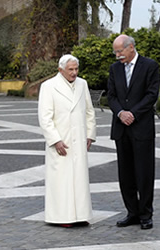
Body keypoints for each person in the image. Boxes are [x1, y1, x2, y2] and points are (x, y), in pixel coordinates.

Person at [107, 34, 159, 230]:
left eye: (120, 51)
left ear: (131, 48)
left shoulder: (150, 66)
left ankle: (146, 214)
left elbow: (152, 94)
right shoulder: (114, 69)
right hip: (121, 129)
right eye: (115, 52)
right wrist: (121, 113)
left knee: (144, 173)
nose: (117, 55)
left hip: (141, 128)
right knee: (125, 173)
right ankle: (132, 212)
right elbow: (111, 96)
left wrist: (132, 114)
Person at [38, 54, 96, 228]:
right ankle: (62, 217)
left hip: (79, 139)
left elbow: (89, 112)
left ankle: (81, 214)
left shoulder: (82, 84)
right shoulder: (48, 87)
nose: (74, 73)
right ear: (60, 70)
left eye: (76, 69)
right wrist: (55, 140)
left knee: (79, 180)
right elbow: (45, 117)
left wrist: (90, 134)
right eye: (70, 69)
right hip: (61, 141)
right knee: (61, 180)